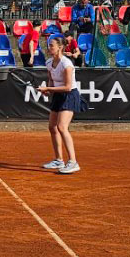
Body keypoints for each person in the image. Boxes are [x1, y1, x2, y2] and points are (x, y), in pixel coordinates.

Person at [37, 35, 86, 175]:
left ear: (60, 47)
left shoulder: (67, 64)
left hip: (70, 95)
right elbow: (51, 82)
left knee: (62, 127)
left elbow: (68, 87)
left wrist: (49, 89)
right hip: (58, 96)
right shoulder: (48, 63)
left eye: (52, 45)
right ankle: (59, 159)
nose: (49, 48)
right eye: (48, 45)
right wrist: (47, 92)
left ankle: (73, 162)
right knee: (52, 127)